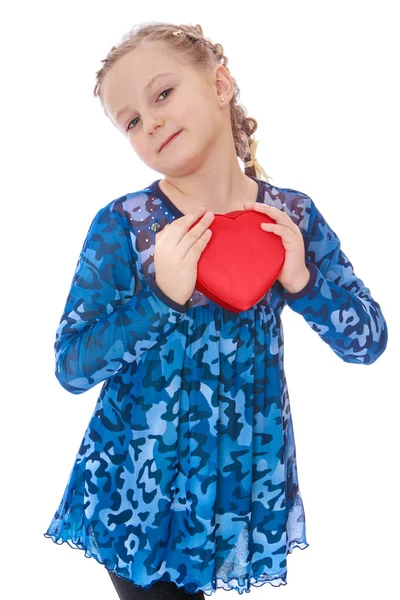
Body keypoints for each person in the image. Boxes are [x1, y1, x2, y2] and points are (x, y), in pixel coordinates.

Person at [43, 21, 388, 599]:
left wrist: (302, 280)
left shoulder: (291, 217)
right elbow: (72, 365)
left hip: (236, 494)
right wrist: (159, 299)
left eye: (162, 94)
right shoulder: (125, 226)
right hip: (139, 495)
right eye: (130, 120)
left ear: (220, 85)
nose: (149, 121)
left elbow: (368, 341)